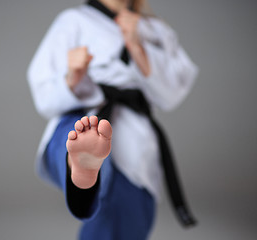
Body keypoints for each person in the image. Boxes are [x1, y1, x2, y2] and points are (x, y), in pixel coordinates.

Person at [27, 0, 198, 239]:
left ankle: (86, 177)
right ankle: (82, 171)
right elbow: (44, 97)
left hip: (135, 139)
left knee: (125, 221)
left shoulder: (156, 30)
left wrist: (138, 47)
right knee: (75, 137)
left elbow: (172, 95)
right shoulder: (73, 21)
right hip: (83, 115)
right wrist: (72, 78)